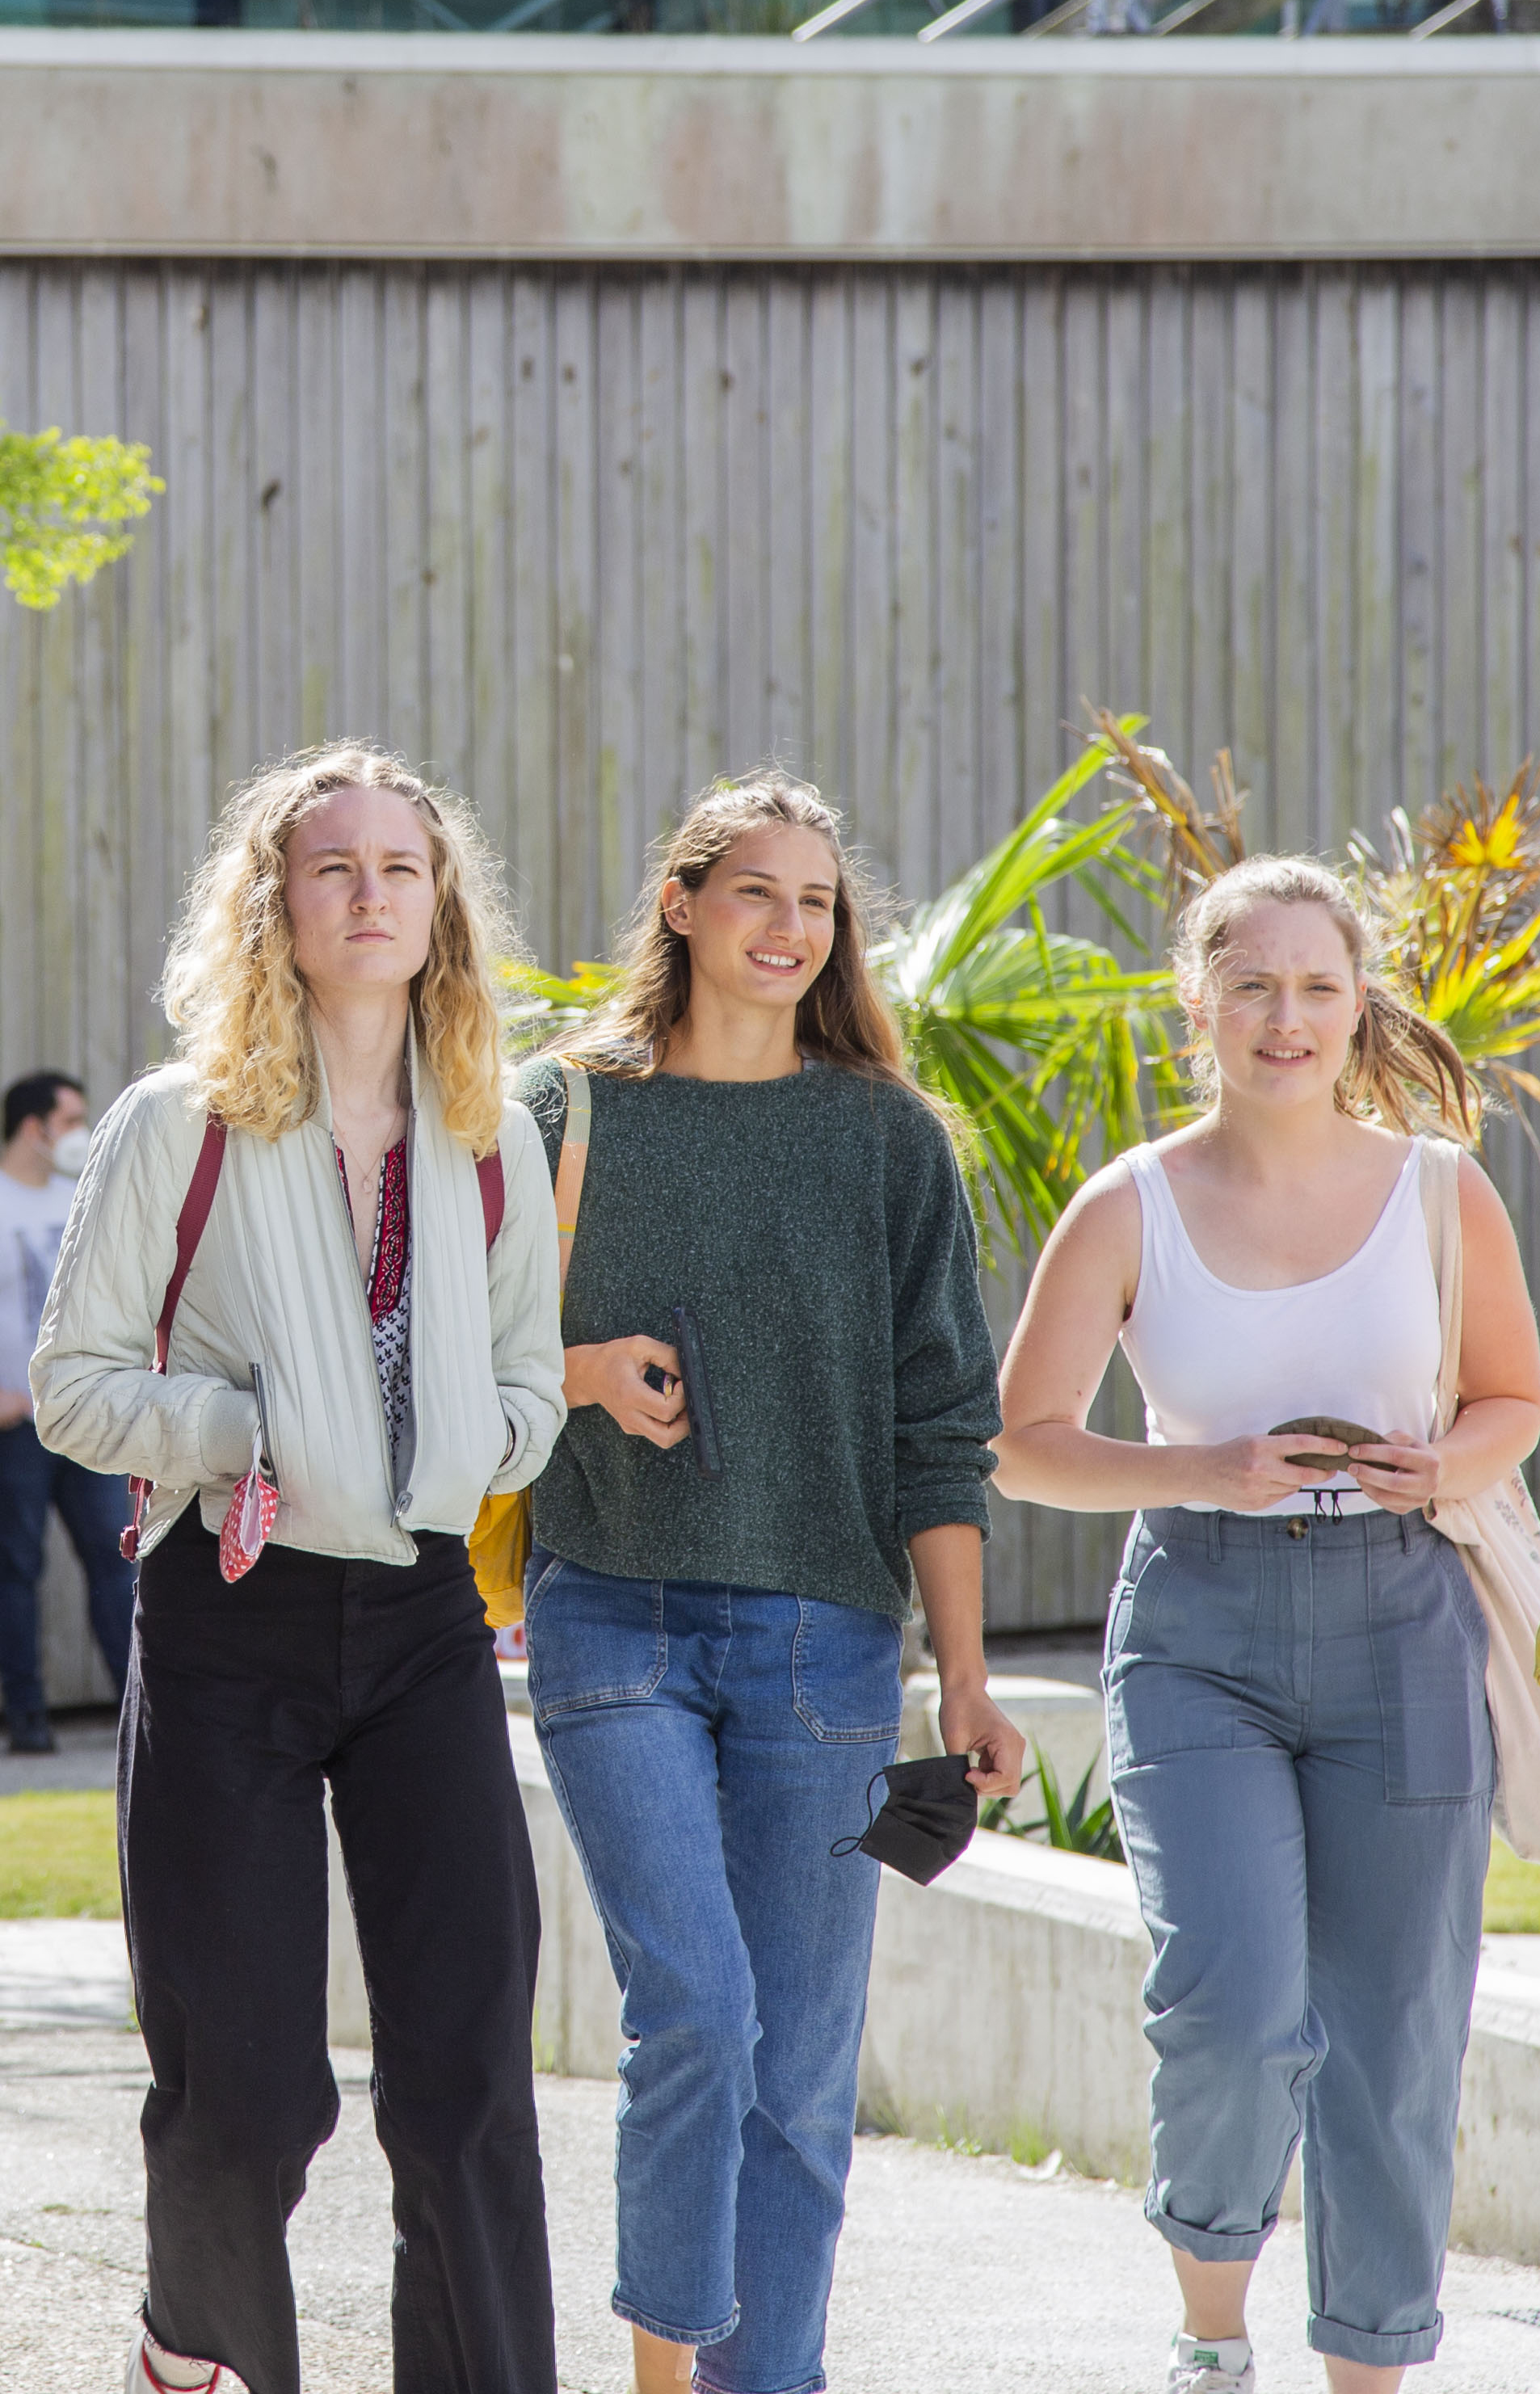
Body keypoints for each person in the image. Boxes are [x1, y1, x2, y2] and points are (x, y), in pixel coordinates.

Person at [34, 741, 567, 2394]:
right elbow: (70, 1388)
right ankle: (200, 2356)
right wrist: (240, 1430)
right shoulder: (175, 1128)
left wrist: (469, 1451)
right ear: (276, 902)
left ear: (440, 905)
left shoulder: (488, 1132)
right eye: (333, 867)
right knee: (249, 2089)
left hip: (424, 1622)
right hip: (231, 1623)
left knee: (468, 2082)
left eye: (400, 868)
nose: (370, 895)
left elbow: (537, 1382)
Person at [994, 856, 1540, 2394]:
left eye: (1315, 985)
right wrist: (1204, 1469)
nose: (1284, 1016)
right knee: (1228, 2004)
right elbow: (1026, 1436)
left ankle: (1368, 2365)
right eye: (1251, 984)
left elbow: (1515, 1396)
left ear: (1356, 999)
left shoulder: (1440, 1187)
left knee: (1397, 2028)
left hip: (1402, 1617)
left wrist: (1446, 1463)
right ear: (1199, 1004)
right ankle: (1212, 2334)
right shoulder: (1129, 1204)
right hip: (1195, 1626)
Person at [513, 773, 1029, 2394]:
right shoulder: (560, 1110)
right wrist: (584, 1371)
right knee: (700, 2014)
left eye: (818, 903)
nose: (791, 927)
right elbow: (460, 1348)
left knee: (798, 2072)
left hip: (826, 1639)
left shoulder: (884, 1138)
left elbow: (942, 1426)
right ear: (680, 905)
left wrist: (966, 1674)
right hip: (608, 1611)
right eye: (757, 892)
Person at [0, 1067, 133, 1753]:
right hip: (10, 1431)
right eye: (71, 1121)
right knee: (20, 1563)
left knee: (114, 1555)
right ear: (33, 1128)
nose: (81, 1134)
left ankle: (139, 1714)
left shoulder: (77, 1198)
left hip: (85, 1422)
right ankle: (27, 1724)